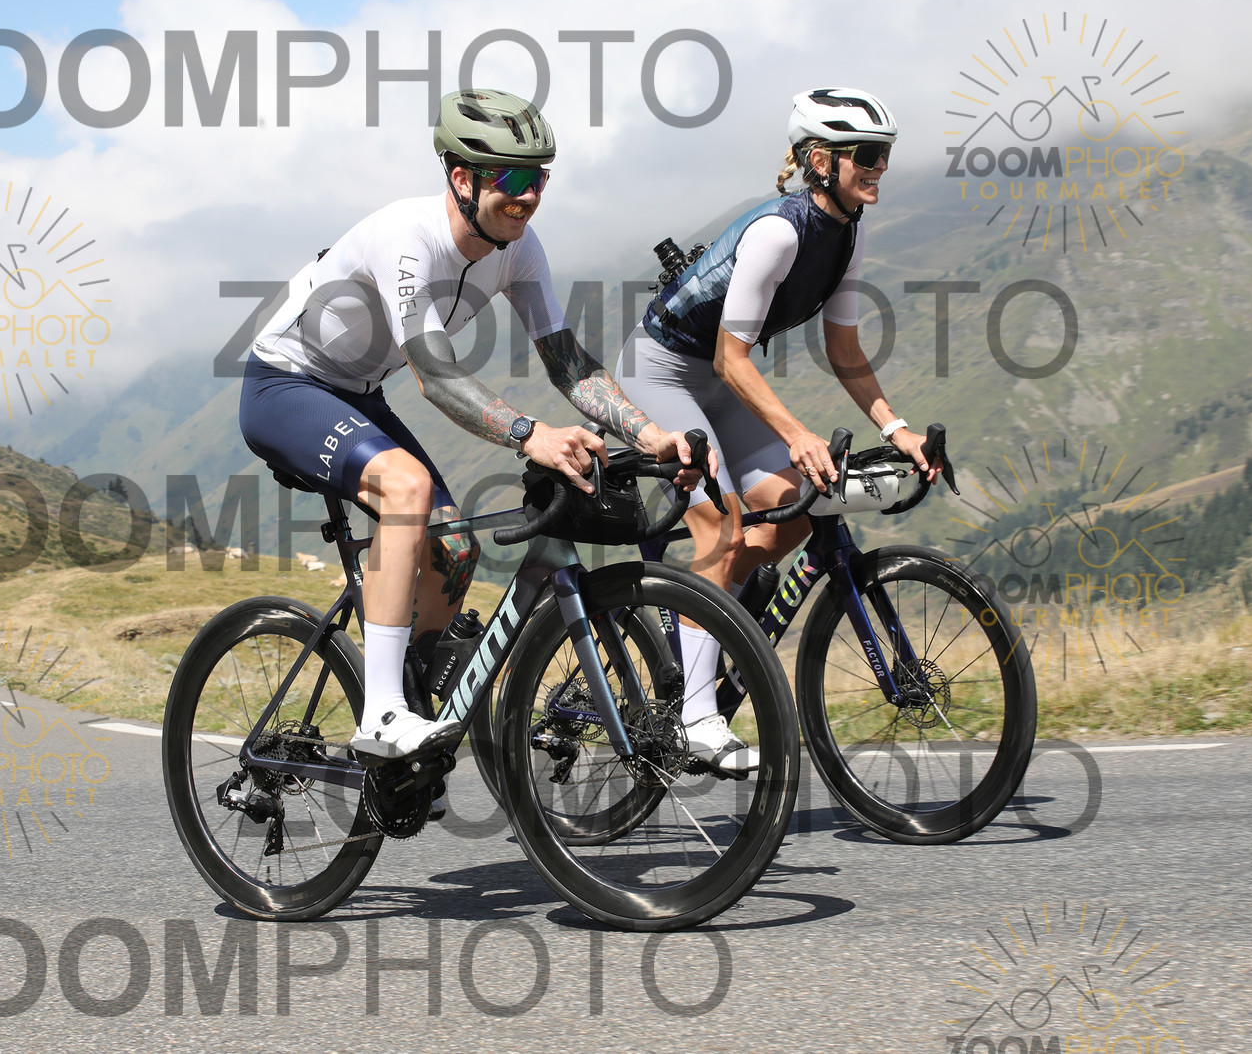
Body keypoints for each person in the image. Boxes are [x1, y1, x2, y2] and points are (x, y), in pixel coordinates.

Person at [240, 89, 707, 761]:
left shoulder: (520, 249)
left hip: (359, 392)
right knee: (406, 490)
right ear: (462, 178)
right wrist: (532, 435)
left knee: (455, 548)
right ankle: (380, 715)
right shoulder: (407, 240)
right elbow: (435, 375)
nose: (528, 196)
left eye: (539, 178)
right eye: (512, 179)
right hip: (284, 385)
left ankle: (409, 715)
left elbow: (570, 365)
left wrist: (649, 434)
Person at [616, 87, 942, 772]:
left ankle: (706, 614)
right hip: (660, 372)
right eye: (867, 155)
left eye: (885, 154)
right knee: (719, 526)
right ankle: (695, 717)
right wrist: (796, 433)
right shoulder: (779, 233)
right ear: (821, 160)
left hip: (714, 380)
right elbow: (731, 359)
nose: (880, 167)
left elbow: (844, 350)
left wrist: (899, 429)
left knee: (795, 507)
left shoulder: (847, 231)